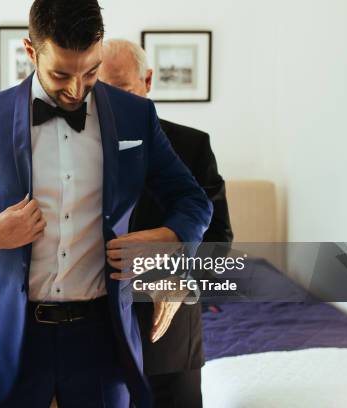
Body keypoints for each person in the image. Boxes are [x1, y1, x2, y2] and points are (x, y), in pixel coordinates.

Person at [0, 1, 212, 406]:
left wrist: (166, 240)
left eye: (90, 72)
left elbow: (194, 201)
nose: (77, 89)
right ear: (30, 51)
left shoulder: (135, 116)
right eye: (61, 74)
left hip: (101, 339)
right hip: (14, 338)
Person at [99, 39, 234, 407]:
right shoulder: (78, 150)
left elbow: (219, 240)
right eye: (102, 91)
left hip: (170, 339)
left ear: (147, 81)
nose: (112, 103)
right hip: (94, 336)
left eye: (123, 90)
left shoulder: (192, 147)